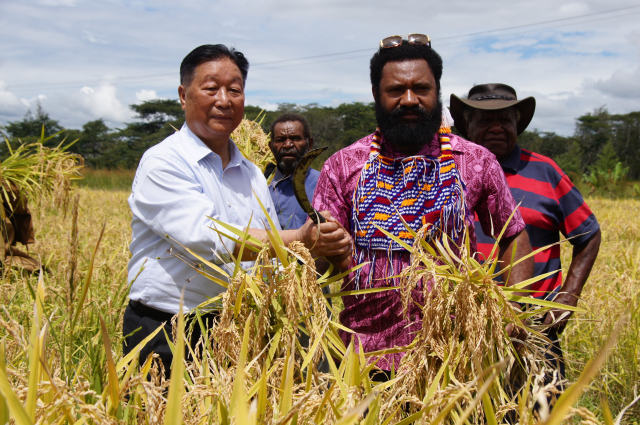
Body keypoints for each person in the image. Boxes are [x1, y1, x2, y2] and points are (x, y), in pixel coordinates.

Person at [123, 44, 352, 375]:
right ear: (183, 95)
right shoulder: (163, 162)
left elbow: (271, 257)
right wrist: (300, 237)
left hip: (240, 327)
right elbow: (206, 239)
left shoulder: (252, 174)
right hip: (167, 329)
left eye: (234, 90)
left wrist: (322, 250)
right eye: (211, 88)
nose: (224, 100)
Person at [312, 35, 534, 372]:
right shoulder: (343, 167)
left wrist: (513, 308)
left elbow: (513, 234)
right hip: (365, 358)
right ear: (376, 95)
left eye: (421, 88)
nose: (410, 99)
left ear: (438, 92)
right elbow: (323, 262)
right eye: (396, 90)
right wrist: (323, 248)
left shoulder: (474, 161)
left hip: (457, 354)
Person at [450, 83, 601, 382]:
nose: (496, 128)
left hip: (533, 326)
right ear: (467, 123)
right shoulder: (447, 171)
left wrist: (568, 297)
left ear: (517, 123)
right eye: (484, 120)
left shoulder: (545, 171)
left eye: (505, 120)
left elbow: (589, 235)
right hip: (462, 324)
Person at [267, 113, 320, 229]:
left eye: (295, 138)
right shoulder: (260, 186)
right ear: (271, 146)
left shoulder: (324, 184)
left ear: (309, 144)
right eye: (280, 140)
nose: (287, 145)